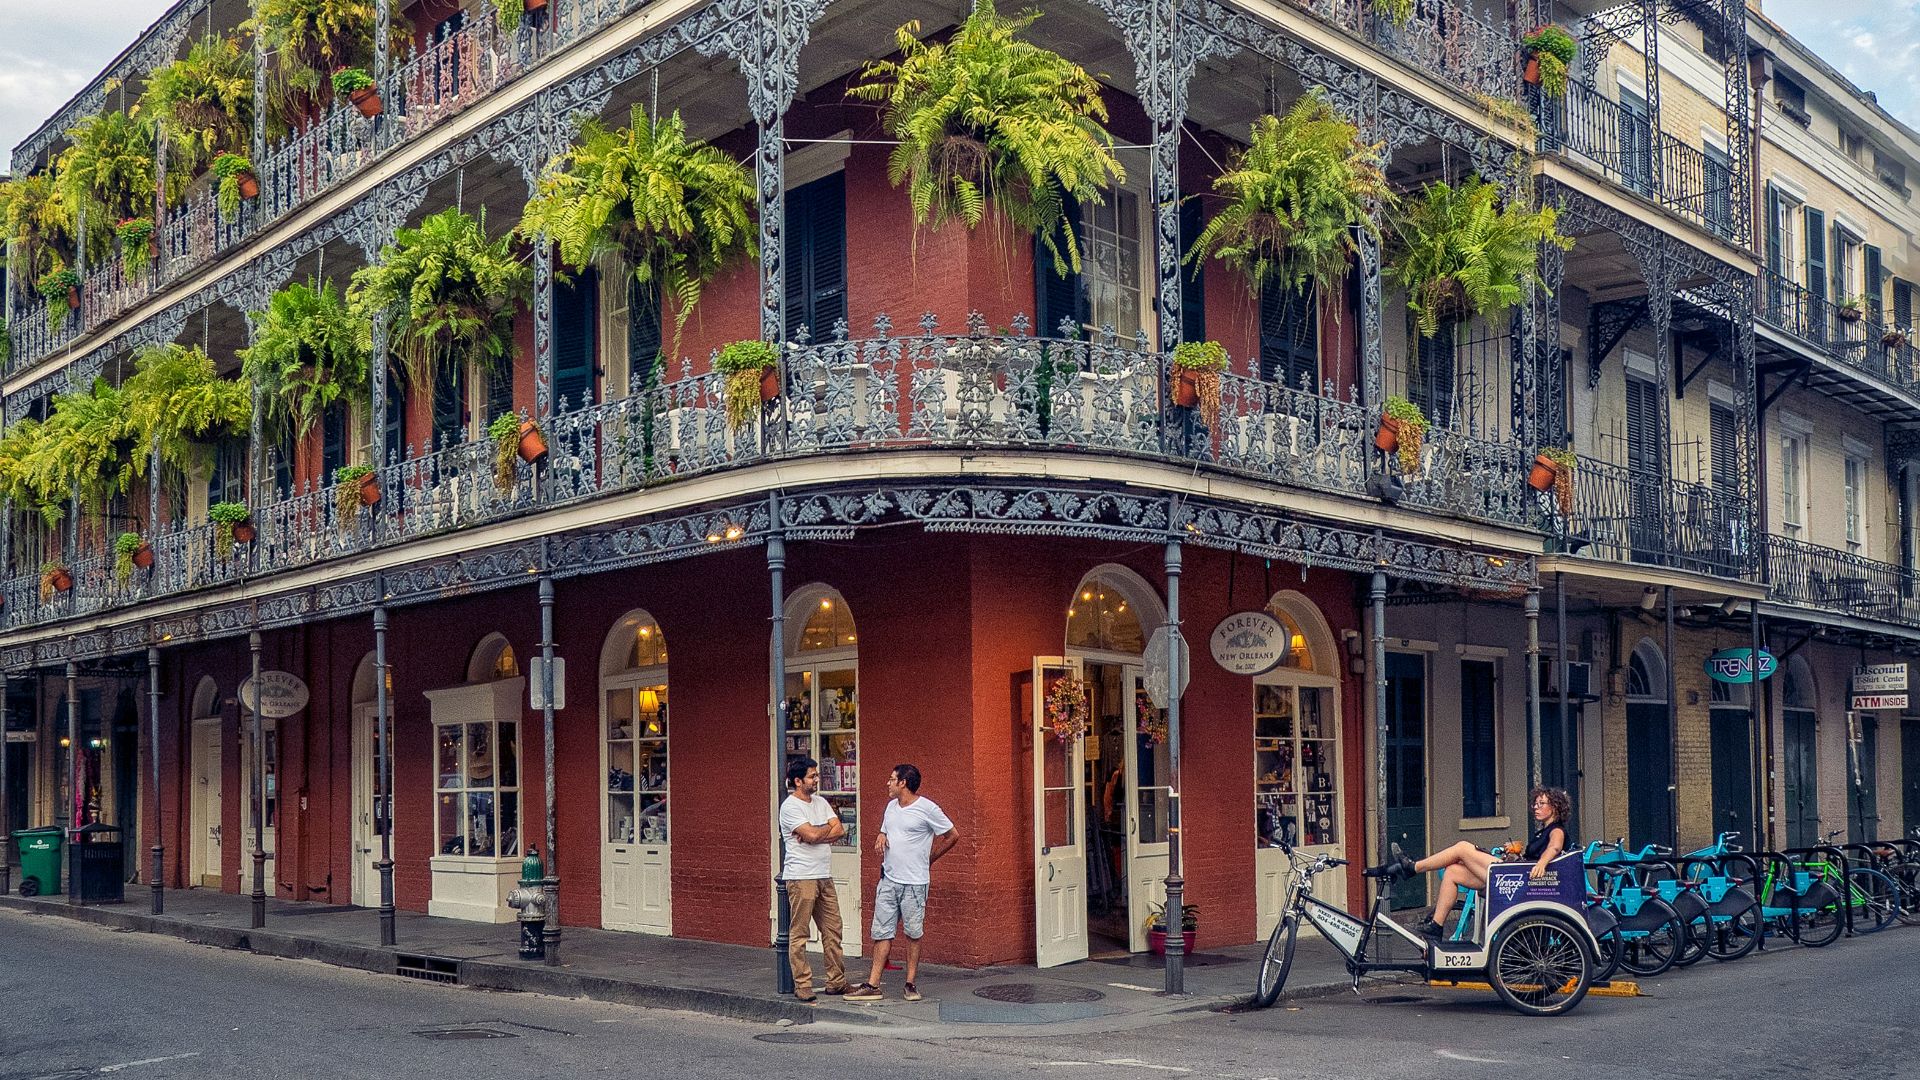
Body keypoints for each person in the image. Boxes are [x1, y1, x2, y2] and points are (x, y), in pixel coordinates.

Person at [1367, 785, 1574, 938]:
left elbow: (1554, 847)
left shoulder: (1556, 830)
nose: (1535, 807)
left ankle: (1412, 868)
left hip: (1518, 881)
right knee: (1453, 872)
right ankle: (1436, 926)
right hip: (1514, 875)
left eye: (1541, 804)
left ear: (1555, 807)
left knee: (1462, 848)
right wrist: (1516, 854)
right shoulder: (1543, 831)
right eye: (1535, 803)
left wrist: (1541, 863)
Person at [845, 764, 957, 1002]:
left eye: (892, 779)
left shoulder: (928, 808)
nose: (888, 783)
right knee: (881, 931)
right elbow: (886, 829)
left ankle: (910, 983)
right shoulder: (891, 807)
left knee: (913, 933)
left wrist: (931, 858)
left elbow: (952, 835)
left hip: (915, 883)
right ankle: (873, 984)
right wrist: (881, 834)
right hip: (889, 879)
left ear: (903, 783)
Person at [779, 757, 849, 1003]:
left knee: (833, 929)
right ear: (798, 781)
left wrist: (814, 833)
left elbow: (840, 829)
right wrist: (819, 832)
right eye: (812, 776)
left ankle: (836, 981)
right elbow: (810, 835)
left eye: (817, 775)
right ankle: (803, 984)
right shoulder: (790, 807)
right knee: (799, 933)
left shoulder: (821, 802)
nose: (816, 779)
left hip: (823, 874)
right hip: (801, 876)